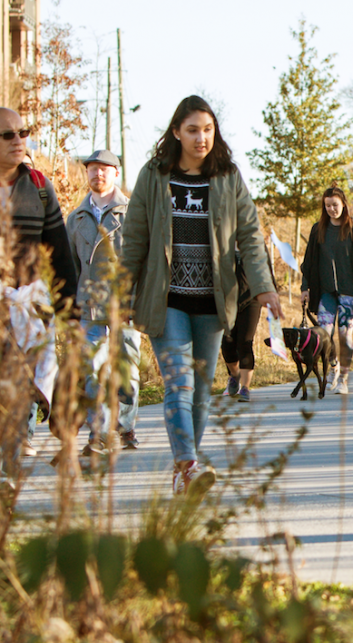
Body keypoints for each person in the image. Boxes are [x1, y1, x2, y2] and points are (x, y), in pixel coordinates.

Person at [120, 95, 282, 497]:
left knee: (202, 386)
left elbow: (249, 234)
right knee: (179, 385)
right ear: (176, 132)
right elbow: (135, 238)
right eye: (192, 130)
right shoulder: (154, 175)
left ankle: (182, 469)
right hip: (166, 298)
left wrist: (264, 287)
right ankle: (190, 465)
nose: (201, 138)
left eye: (208, 129)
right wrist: (121, 292)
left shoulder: (227, 176)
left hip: (213, 300)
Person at [0, 107, 77, 463]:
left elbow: (59, 252)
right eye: (8, 135)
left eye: (23, 132)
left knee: (20, 387)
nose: (18, 140)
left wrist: (70, 310)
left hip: (31, 303)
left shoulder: (40, 187)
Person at [66, 149, 140, 455]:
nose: (98, 174)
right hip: (89, 305)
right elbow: (71, 265)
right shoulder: (75, 217)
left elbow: (140, 261)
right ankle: (98, 433)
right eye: (93, 169)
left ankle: (124, 427)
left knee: (127, 372)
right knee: (92, 371)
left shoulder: (132, 213)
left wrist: (134, 303)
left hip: (124, 305)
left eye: (104, 169)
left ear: (116, 173)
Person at [300, 186, 353, 395]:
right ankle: (333, 365)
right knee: (324, 334)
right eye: (328, 206)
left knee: (345, 334)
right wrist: (304, 287)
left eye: (335, 205)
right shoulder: (318, 229)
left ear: (343, 204)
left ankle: (343, 377)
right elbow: (309, 262)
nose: (332, 209)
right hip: (326, 292)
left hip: (349, 292)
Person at [221, 248, 276, 403]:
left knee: (245, 342)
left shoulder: (253, 239)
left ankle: (245, 388)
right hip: (227, 300)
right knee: (227, 343)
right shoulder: (223, 238)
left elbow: (266, 269)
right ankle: (234, 375)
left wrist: (271, 293)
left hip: (252, 299)